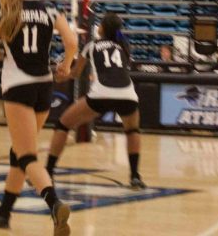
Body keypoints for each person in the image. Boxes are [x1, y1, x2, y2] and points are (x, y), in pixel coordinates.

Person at [0, 0, 77, 235]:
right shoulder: (49, 9)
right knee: (19, 152)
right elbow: (71, 43)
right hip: (44, 86)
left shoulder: (3, 11)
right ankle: (3, 212)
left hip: (17, 86)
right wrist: (66, 65)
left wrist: (3, 54)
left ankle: (54, 203)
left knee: (27, 154)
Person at [45, 12, 145, 190]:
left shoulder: (91, 45)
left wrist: (60, 77)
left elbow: (75, 74)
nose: (97, 27)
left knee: (63, 124)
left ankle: (48, 172)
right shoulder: (123, 47)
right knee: (133, 131)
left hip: (102, 93)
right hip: (127, 94)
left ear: (103, 28)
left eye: (99, 25)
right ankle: (135, 176)